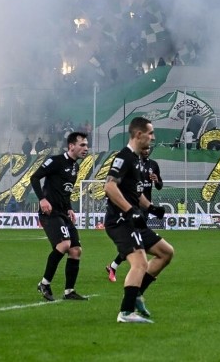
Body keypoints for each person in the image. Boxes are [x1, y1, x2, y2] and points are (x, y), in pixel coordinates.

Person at [104, 117, 174, 323]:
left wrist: (151, 208)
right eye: (150, 133)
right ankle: (125, 313)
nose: (153, 137)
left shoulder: (138, 160)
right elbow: (109, 186)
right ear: (138, 135)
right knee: (140, 263)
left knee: (166, 253)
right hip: (120, 221)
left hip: (134, 220)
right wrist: (129, 210)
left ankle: (136, 295)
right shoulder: (124, 157)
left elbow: (136, 193)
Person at [31, 131, 90, 302]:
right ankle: (44, 283)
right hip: (50, 213)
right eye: (82, 145)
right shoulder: (55, 161)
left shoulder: (75, 167)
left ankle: (69, 291)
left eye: (86, 145)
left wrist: (70, 208)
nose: (86, 148)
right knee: (64, 244)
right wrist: (42, 199)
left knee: (76, 250)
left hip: (64, 212)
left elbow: (65, 191)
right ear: (71, 146)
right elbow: (34, 178)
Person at [106, 143, 164, 283]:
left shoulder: (153, 165)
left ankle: (116, 268)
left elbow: (159, 185)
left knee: (137, 240)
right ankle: (136, 277)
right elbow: (111, 185)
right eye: (144, 148)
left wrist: (157, 181)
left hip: (145, 205)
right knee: (135, 240)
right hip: (132, 208)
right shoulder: (130, 160)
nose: (146, 151)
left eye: (148, 149)